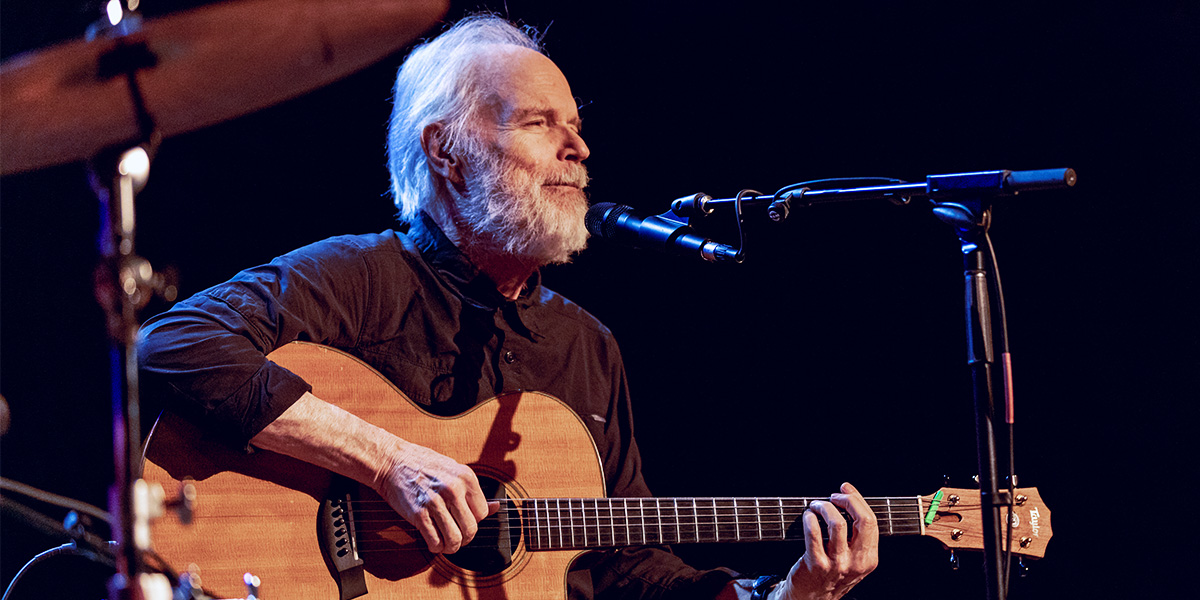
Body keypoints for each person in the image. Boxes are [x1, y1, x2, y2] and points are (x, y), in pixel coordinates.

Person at [138, 15, 878, 600]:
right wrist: (388, 460)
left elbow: (626, 574)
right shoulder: (361, 278)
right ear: (446, 151)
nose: (579, 147)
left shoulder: (586, 346)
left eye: (576, 124)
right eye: (539, 122)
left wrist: (791, 593)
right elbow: (174, 343)